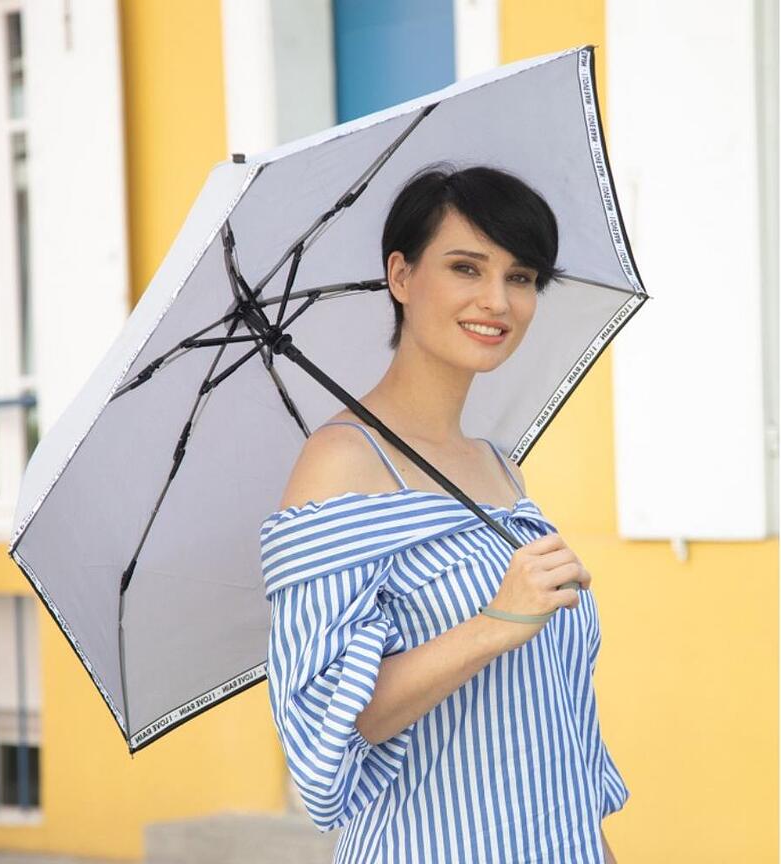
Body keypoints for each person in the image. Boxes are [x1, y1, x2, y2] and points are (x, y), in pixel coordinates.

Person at [259, 164, 628, 863]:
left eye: (521, 277)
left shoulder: (498, 468)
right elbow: (330, 720)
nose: (497, 300)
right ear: (400, 275)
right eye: (466, 268)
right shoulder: (340, 465)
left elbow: (555, 725)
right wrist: (495, 624)